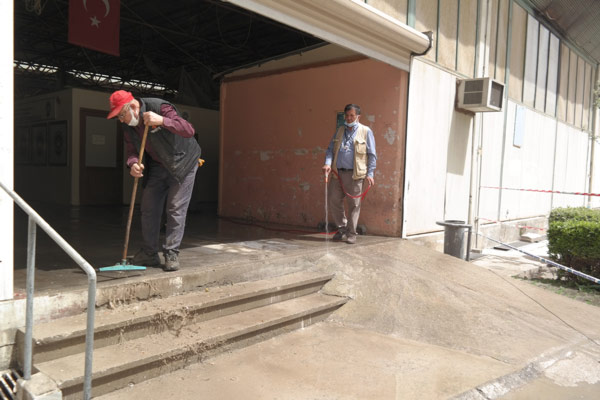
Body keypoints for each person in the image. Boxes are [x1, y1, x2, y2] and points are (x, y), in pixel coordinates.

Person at [107, 90, 201, 271]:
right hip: (158, 165)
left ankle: (171, 252)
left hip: (183, 163)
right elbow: (131, 150)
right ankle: (150, 253)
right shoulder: (129, 126)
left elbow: (188, 130)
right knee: (149, 208)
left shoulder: (160, 107)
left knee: (175, 208)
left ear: (133, 107)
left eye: (121, 115)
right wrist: (133, 164)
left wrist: (162, 121)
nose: (120, 120)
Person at [322, 104, 377, 244]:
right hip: (337, 173)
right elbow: (330, 150)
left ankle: (351, 233)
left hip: (355, 175)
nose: (349, 118)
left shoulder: (366, 131)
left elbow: (372, 155)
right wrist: (328, 163)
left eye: (352, 115)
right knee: (334, 200)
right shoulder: (340, 130)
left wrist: (370, 173)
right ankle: (342, 229)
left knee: (354, 205)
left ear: (358, 116)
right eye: (347, 115)